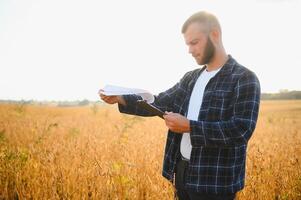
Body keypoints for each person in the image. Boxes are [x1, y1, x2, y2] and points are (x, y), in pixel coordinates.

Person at [100, 11, 260, 200]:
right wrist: (121, 98)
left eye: (194, 42)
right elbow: (160, 101)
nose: (190, 50)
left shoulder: (244, 78)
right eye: (187, 44)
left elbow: (241, 130)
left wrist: (190, 127)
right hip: (182, 172)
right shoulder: (191, 78)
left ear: (215, 35)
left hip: (216, 181)